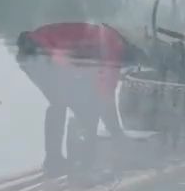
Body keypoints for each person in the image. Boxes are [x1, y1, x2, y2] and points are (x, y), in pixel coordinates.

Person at [16, 23, 132, 175]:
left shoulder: (105, 39)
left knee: (62, 103)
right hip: (41, 53)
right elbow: (106, 96)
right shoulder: (114, 46)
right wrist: (117, 134)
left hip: (29, 53)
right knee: (77, 106)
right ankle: (81, 163)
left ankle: (56, 160)